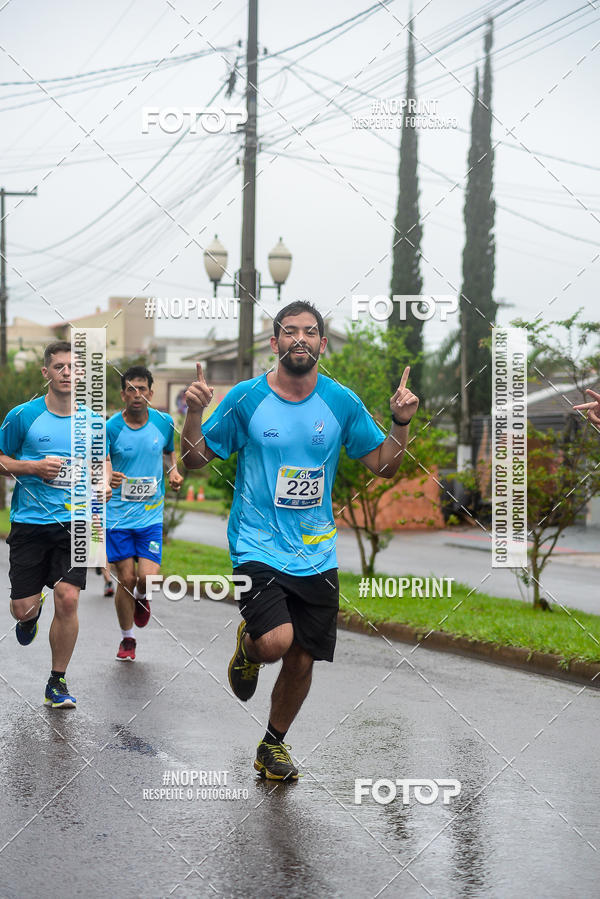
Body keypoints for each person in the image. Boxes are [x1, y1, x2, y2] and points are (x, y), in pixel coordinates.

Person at [181, 301, 419, 780]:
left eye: (310, 332)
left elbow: (383, 465)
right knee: (275, 642)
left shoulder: (341, 402)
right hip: (255, 545)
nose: (300, 339)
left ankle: (273, 745)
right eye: (290, 331)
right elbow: (194, 460)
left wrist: (401, 423)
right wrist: (193, 413)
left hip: (316, 550)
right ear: (274, 343)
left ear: (322, 344)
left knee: (303, 657)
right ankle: (249, 650)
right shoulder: (246, 399)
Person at [0, 340, 111, 708]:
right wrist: (31, 467)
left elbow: (103, 462)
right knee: (24, 609)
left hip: (77, 522)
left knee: (69, 597)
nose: (67, 372)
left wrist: (105, 483)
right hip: (30, 522)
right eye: (59, 366)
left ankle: (56, 681)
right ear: (46, 372)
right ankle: (31, 614)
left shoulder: (94, 421)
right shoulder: (23, 416)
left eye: (73, 367)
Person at [106, 365, 183, 661]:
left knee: (146, 579)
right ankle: (128, 639)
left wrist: (173, 472)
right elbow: (100, 462)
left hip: (150, 515)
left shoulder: (163, 422)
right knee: (125, 578)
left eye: (142, 389)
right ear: (123, 393)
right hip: (119, 517)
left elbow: (167, 452)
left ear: (151, 393)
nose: (137, 395)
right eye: (131, 389)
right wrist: (107, 476)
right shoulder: (111, 427)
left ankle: (142, 597)